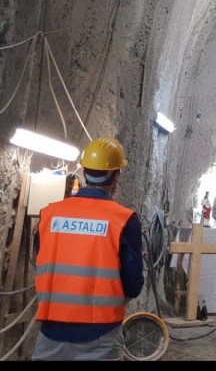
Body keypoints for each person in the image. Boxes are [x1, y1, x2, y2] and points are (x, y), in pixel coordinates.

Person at [33, 137, 144, 361]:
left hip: (50, 333)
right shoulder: (123, 220)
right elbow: (133, 283)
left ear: (83, 173)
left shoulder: (49, 214)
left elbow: (39, 259)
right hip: (100, 337)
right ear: (116, 176)